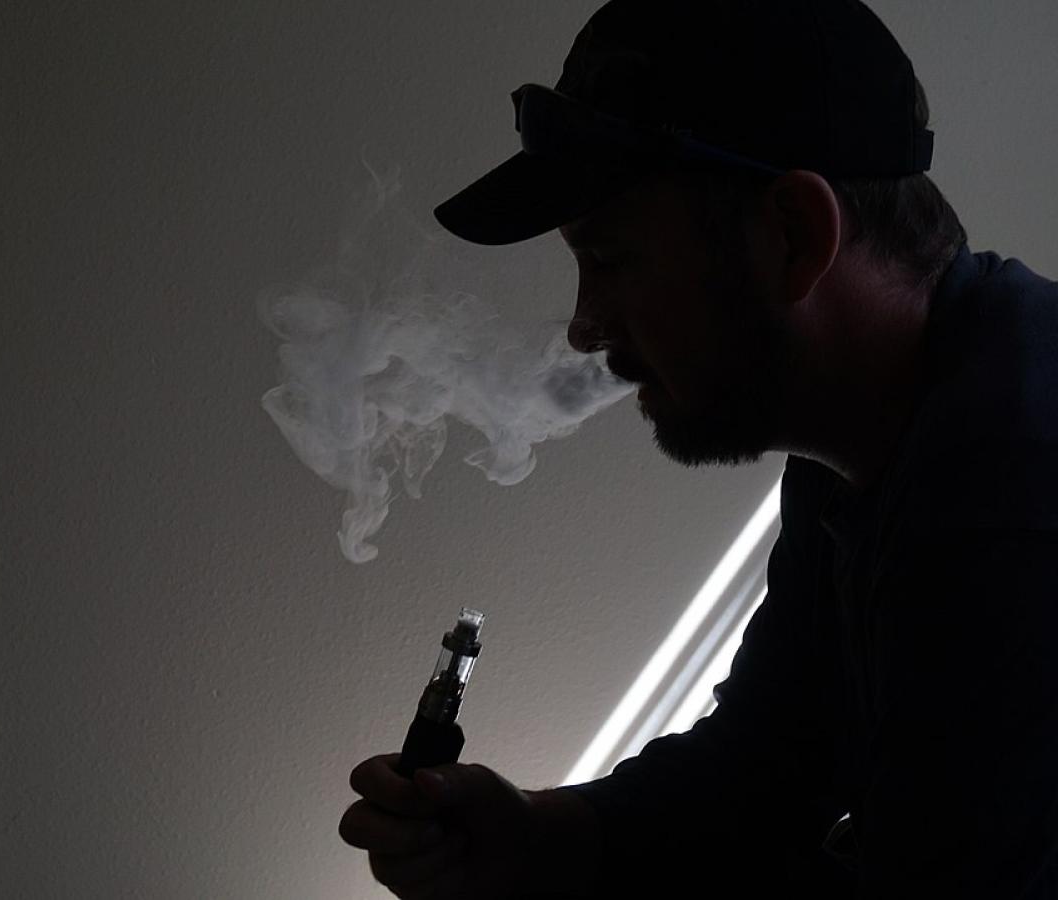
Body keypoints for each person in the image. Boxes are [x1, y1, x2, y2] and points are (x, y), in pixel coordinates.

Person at [339, 1, 1058, 896]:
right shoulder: (867, 436)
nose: (584, 327)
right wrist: (537, 836)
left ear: (794, 236)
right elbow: (773, 757)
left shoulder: (1017, 499)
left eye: (611, 259)